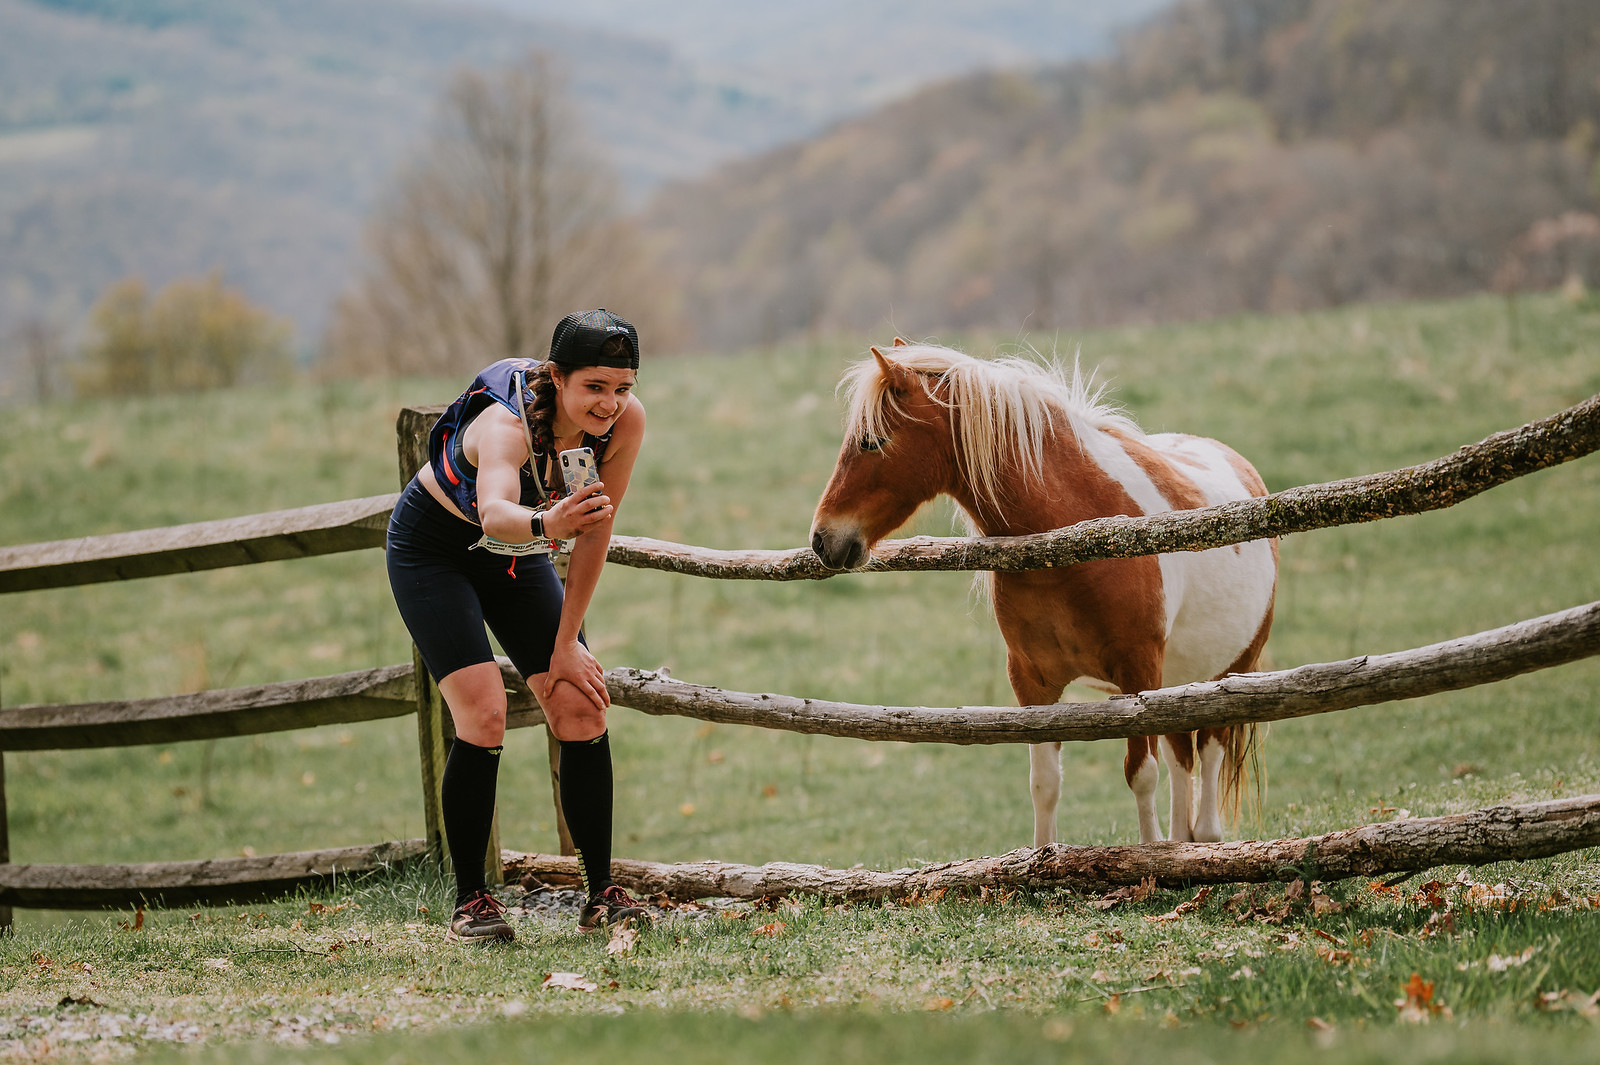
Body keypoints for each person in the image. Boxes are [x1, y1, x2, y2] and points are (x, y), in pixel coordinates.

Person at [385, 309, 651, 942]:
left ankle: (601, 893)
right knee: (483, 714)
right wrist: (548, 526)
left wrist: (565, 644)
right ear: (557, 377)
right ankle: (472, 901)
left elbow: (596, 532)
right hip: (437, 551)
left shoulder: (624, 426)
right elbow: (497, 511)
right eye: (594, 386)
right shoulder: (508, 425)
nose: (610, 403)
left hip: (518, 557)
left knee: (581, 706)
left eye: (623, 386)